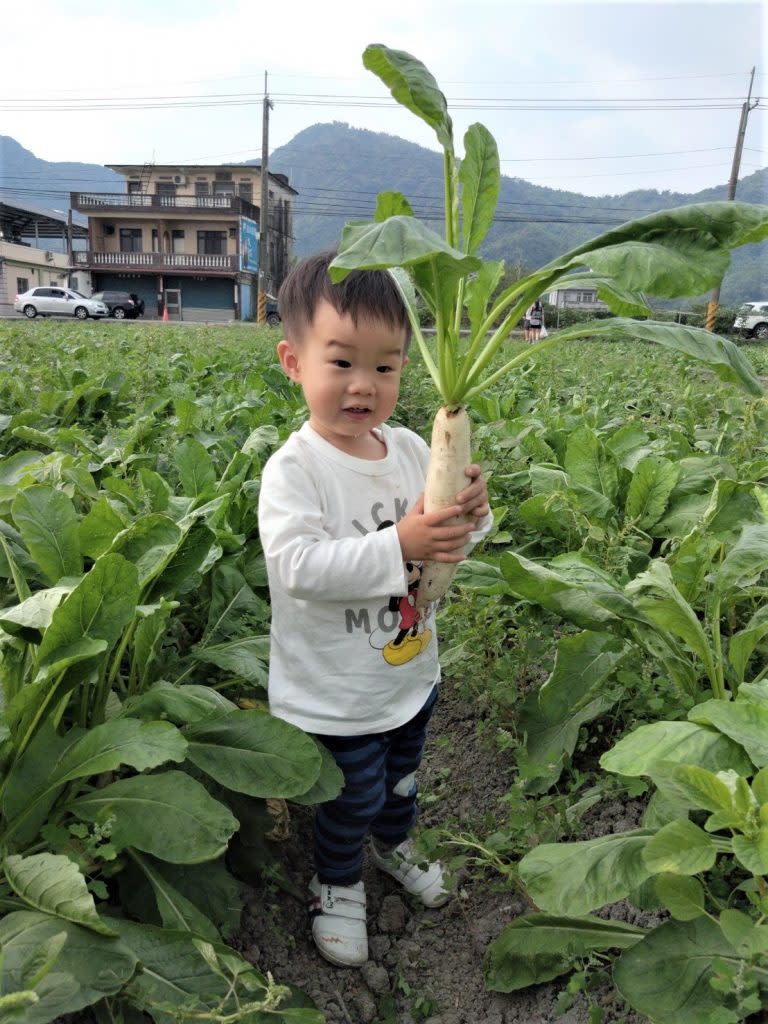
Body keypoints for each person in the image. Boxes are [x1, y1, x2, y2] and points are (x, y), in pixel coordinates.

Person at [257, 250, 492, 967]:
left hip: (409, 675)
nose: (364, 386)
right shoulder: (296, 470)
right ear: (293, 362)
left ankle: (393, 849)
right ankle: (336, 882)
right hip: (335, 693)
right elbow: (297, 570)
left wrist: (470, 517)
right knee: (349, 796)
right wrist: (401, 542)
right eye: (342, 363)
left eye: (386, 368)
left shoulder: (414, 449)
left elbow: (448, 543)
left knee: (401, 782)